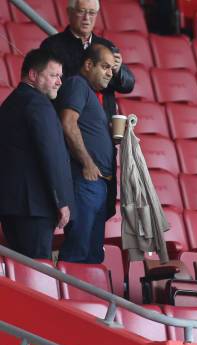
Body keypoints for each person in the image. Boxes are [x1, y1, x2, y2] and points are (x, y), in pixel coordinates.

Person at [40, 0, 135, 219]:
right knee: (79, 203)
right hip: (70, 128)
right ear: (70, 12)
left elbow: (128, 84)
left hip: (102, 127)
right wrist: (91, 67)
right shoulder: (53, 46)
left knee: (101, 206)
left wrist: (119, 69)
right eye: (82, 12)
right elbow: (53, 83)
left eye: (92, 13)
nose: (87, 18)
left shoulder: (107, 46)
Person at [0, 49, 73, 259]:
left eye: (60, 76)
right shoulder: (39, 104)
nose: (59, 81)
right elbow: (52, 155)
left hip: (12, 207)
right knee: (37, 271)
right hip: (35, 208)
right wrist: (61, 201)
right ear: (33, 75)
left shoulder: (10, 103)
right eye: (53, 75)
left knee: (20, 271)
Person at [57, 44, 115, 264]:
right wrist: (88, 163)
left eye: (112, 68)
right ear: (89, 65)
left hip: (97, 183)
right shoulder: (77, 84)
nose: (110, 72)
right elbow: (68, 124)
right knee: (78, 250)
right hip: (85, 179)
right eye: (105, 66)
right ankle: (69, 298)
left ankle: (88, 298)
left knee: (92, 254)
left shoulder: (90, 93)